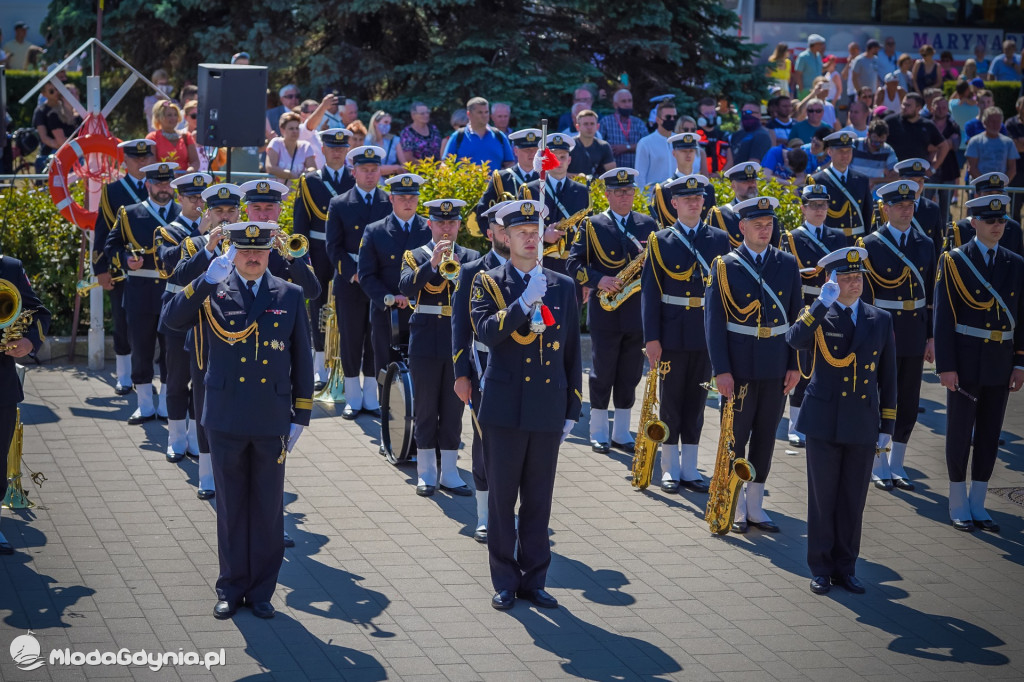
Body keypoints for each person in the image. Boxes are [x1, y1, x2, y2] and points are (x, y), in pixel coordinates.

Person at [163, 220, 313, 620]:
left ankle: (261, 590)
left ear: (270, 254)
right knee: (230, 508)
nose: (252, 258)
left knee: (267, 508)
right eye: (245, 251)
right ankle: (231, 586)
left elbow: (302, 356)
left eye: (259, 251)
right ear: (233, 253)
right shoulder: (214, 289)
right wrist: (203, 280)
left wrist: (302, 414)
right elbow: (171, 321)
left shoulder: (290, 294)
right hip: (226, 414)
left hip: (270, 415)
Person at [470, 199, 582, 611]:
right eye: (521, 233)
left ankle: (535, 579)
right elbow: (485, 333)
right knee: (501, 500)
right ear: (505, 236)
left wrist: (573, 408)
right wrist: (521, 304)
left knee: (539, 499)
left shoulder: (563, 285)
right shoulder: (489, 282)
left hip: (547, 407)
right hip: (503, 407)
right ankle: (504, 579)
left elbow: (571, 352)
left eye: (535, 233)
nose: (530, 239)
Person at [786, 246, 897, 595]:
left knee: (853, 499)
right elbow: (794, 339)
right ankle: (820, 567)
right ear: (832, 281)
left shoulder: (879, 319)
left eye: (858, 277)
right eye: (846, 278)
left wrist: (887, 425)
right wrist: (821, 303)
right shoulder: (819, 314)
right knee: (823, 498)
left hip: (862, 421)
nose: (854, 283)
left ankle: (846, 568)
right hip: (824, 419)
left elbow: (888, 376)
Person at [705, 196, 802, 533]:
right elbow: (714, 323)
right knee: (735, 437)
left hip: (776, 363)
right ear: (742, 227)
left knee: (766, 437)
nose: (765, 230)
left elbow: (796, 318)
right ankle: (735, 504)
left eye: (769, 224)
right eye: (757, 225)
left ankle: (757, 507)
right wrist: (722, 370)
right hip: (740, 366)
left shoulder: (787, 264)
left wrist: (795, 364)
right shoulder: (725, 266)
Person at [935, 194, 1024, 533]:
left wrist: (1020, 364)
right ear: (973, 223)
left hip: (1000, 361)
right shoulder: (955, 261)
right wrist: (946, 366)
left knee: (989, 433)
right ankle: (958, 500)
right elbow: (944, 318)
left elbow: (1022, 318)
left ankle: (979, 501)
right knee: (959, 432)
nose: (997, 226)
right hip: (966, 358)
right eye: (990, 221)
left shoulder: (1015, 263)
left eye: (1001, 221)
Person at [641, 174, 730, 492]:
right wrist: (651, 337)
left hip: (706, 333)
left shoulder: (719, 239)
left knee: (696, 401)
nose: (694, 202)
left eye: (699, 197)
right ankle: (668, 467)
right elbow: (650, 293)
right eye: (686, 198)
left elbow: (724, 292)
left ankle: (690, 468)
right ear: (674, 203)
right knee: (671, 401)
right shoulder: (660, 240)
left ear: (705, 201)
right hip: (671, 333)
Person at [567, 168, 653, 453]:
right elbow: (573, 264)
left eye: (628, 191)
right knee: (602, 371)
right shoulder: (592, 225)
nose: (624, 196)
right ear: (607, 194)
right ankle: (599, 430)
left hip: (636, 310)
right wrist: (597, 279)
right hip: (605, 309)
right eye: (617, 192)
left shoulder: (646, 224)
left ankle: (622, 433)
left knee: (630, 373)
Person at [857, 180, 936, 491]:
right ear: (885, 209)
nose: (906, 209)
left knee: (908, 399)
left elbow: (930, 297)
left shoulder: (925, 244)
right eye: (900, 205)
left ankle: (898, 462)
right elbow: (865, 298)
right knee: (880, 397)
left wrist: (930, 337)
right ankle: (879, 461)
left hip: (914, 332)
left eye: (910, 204)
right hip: (883, 331)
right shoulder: (870, 245)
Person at [398, 198, 479, 496]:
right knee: (426, 407)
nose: (447, 228)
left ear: (458, 225)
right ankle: (426, 472)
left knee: (454, 406)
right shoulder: (414, 255)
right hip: (425, 337)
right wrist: (433, 264)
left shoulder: (471, 256)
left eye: (452, 223)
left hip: (457, 339)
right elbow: (406, 288)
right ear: (429, 224)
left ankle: (450, 472)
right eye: (441, 223)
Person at [169, 182, 245, 500]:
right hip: (205, 338)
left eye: (231, 210)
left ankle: (241, 471)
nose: (225, 217)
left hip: (244, 338)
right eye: (219, 211)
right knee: (204, 406)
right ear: (208, 214)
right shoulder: (194, 244)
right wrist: (209, 250)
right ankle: (206, 474)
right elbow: (179, 278)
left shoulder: (252, 245)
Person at [104, 162, 183, 425]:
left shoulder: (183, 214)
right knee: (141, 349)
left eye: (167, 183)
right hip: (140, 292)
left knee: (171, 353)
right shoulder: (130, 213)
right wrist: (125, 259)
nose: (163, 189)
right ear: (147, 184)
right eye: (158, 183)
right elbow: (111, 245)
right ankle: (145, 405)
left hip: (172, 293)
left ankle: (166, 406)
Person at [356, 173, 431, 415]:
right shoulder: (375, 231)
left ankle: (420, 429)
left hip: (422, 311)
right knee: (386, 370)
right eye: (402, 197)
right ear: (391, 199)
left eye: (412, 197)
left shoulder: (429, 229)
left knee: (422, 372)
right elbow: (366, 274)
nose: (408, 202)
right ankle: (389, 427)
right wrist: (388, 297)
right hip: (387, 313)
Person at [326, 146, 392, 415]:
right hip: (350, 280)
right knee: (351, 339)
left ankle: (372, 398)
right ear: (353, 172)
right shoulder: (340, 203)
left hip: (379, 281)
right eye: (364, 170)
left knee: (377, 340)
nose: (369, 175)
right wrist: (353, 272)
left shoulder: (388, 202)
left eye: (374, 169)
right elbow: (333, 246)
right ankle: (353, 398)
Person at [781, 185, 847, 447]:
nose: (819, 210)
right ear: (803, 208)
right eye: (813, 205)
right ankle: (796, 424)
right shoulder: (791, 238)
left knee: (829, 363)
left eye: (823, 205)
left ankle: (823, 420)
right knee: (803, 364)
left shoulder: (837, 236)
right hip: (806, 303)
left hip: (831, 306)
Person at [293, 128, 356, 388]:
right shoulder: (311, 182)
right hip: (318, 252)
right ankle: (319, 366)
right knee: (317, 305)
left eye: (342, 148)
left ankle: (344, 365)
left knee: (347, 306)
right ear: (324, 150)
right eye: (333, 147)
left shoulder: (355, 181)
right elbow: (300, 225)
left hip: (346, 253)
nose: (338, 152)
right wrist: (301, 258)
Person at [157, 172, 212, 465]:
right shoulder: (167, 230)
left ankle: (195, 438)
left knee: (202, 381)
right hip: (179, 314)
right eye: (193, 198)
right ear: (180, 199)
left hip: (208, 316)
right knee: (177, 379)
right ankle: (176, 438)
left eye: (203, 198)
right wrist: (201, 234)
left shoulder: (218, 228)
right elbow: (169, 264)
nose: (199, 203)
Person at [518, 134, 591, 279]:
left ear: (569, 160)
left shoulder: (582, 191)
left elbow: (588, 236)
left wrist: (586, 274)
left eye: (563, 157)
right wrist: (543, 236)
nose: (558, 161)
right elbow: (520, 229)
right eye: (554, 156)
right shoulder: (530, 190)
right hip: (538, 265)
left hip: (571, 267)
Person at [809, 132, 873, 245]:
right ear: (829, 152)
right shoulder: (818, 181)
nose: (845, 155)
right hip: (830, 242)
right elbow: (813, 217)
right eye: (840, 151)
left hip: (857, 241)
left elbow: (867, 214)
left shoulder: (861, 179)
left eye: (848, 151)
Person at [946, 173, 1024, 257]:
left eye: (998, 193)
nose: (994, 197)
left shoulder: (1014, 229)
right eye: (988, 193)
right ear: (976, 196)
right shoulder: (961, 228)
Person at [474, 128, 541, 225]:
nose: (532, 154)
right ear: (516, 151)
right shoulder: (502, 178)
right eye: (527, 150)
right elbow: (483, 211)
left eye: (535, 150)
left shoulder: (545, 178)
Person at [707, 162, 781, 248]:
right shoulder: (721, 214)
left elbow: (775, 247)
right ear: (733, 185)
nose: (752, 184)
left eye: (753, 181)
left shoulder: (767, 211)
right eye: (746, 182)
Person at [649, 132, 718, 225]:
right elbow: (658, 224)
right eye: (684, 151)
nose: (688, 154)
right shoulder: (663, 190)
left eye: (692, 151)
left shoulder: (708, 188)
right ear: (674, 153)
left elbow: (712, 224)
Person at [884, 158, 944, 260]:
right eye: (912, 181)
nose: (917, 186)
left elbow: (938, 245)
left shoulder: (933, 208)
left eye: (921, 181)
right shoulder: (887, 207)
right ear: (900, 181)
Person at [441, 97, 514, 168]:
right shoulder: (458, 136)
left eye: (486, 112)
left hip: (495, 180)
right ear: (469, 114)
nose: (484, 115)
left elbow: (510, 163)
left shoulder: (499, 136)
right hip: (465, 180)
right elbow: (445, 165)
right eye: (480, 112)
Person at [884, 93, 950, 169]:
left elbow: (944, 146)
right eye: (903, 104)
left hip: (917, 173)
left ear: (919, 108)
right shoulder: (890, 122)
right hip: (893, 172)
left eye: (908, 105)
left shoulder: (927, 125)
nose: (904, 107)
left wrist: (933, 169)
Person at [32, 79, 79, 173]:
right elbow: (44, 137)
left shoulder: (64, 107)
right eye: (51, 91)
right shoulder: (41, 111)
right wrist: (61, 146)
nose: (56, 93)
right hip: (50, 152)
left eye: (57, 89)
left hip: (68, 149)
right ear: (44, 94)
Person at [966, 107, 1020, 182]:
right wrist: (987, 185)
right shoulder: (975, 141)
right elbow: (972, 168)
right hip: (979, 189)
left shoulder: (1009, 143)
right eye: (992, 121)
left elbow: (1012, 169)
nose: (995, 125)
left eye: (998, 122)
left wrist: (1000, 184)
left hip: (1000, 190)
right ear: (984, 122)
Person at [635, 100, 678, 192]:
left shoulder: (679, 140)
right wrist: (644, 202)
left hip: (677, 197)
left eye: (674, 117)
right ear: (658, 119)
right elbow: (640, 177)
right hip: (654, 198)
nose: (672, 120)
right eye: (668, 117)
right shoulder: (645, 143)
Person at [598, 90, 647, 168]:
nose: (627, 104)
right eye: (623, 101)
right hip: (612, 173)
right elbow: (598, 146)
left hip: (635, 173)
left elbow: (646, 146)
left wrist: (626, 148)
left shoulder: (639, 123)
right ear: (615, 105)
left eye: (630, 101)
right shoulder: (605, 122)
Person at [266, 112, 316, 182]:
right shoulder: (276, 143)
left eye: (297, 128)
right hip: (276, 191)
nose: (295, 131)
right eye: (291, 128)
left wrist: (304, 174)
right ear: (282, 130)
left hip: (297, 192)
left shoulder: (306, 146)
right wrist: (290, 175)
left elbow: (313, 168)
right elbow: (270, 167)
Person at [567, 109, 615, 176]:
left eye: (592, 124)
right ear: (577, 127)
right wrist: (580, 178)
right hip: (571, 185)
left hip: (596, 185)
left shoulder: (604, 146)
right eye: (585, 124)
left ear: (597, 127)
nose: (589, 127)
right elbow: (558, 174)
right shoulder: (568, 145)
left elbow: (612, 173)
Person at [696, 98, 733, 177]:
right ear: (700, 115)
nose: (710, 116)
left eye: (712, 113)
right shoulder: (696, 136)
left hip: (721, 181)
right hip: (701, 179)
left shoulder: (723, 136)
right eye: (706, 113)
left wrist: (719, 176)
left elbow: (730, 161)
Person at [365, 110, 407, 175]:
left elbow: (405, 166)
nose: (388, 125)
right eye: (385, 122)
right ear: (375, 123)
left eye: (389, 123)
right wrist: (395, 168)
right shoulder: (366, 140)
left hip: (390, 179)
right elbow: (367, 166)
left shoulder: (394, 140)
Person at [1006, 96, 1024, 223]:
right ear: (1018, 107)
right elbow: (1012, 146)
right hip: (1016, 174)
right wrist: (1017, 144)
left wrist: (1020, 142)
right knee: (1014, 212)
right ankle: (1016, 241)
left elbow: (1019, 145)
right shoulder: (1010, 123)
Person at [794, 34, 826, 99]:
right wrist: (802, 90)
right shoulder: (803, 56)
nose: (822, 46)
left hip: (818, 90)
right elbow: (798, 74)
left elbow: (821, 70)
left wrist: (830, 63)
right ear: (813, 45)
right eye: (820, 44)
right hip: (806, 91)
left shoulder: (818, 56)